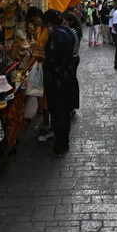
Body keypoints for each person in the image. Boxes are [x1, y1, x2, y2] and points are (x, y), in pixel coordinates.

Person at [42, 9, 76, 157]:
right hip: (68, 77)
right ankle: (64, 143)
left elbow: (52, 58)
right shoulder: (68, 31)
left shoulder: (56, 35)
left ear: (49, 23)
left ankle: (59, 148)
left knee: (57, 114)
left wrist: (43, 59)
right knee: (64, 113)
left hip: (57, 80)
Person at [26, 6, 51, 137]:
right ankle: (45, 122)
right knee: (42, 95)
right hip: (40, 64)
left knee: (46, 95)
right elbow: (37, 51)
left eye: (32, 20)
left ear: (37, 15)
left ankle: (48, 124)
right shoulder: (38, 29)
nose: (32, 23)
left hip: (47, 65)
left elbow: (43, 49)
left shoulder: (47, 29)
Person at [63, 11, 82, 116]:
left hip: (72, 59)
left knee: (70, 83)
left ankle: (71, 106)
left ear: (69, 21)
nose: (63, 22)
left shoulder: (71, 31)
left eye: (65, 20)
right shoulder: (74, 30)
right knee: (72, 81)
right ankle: (72, 106)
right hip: (74, 58)